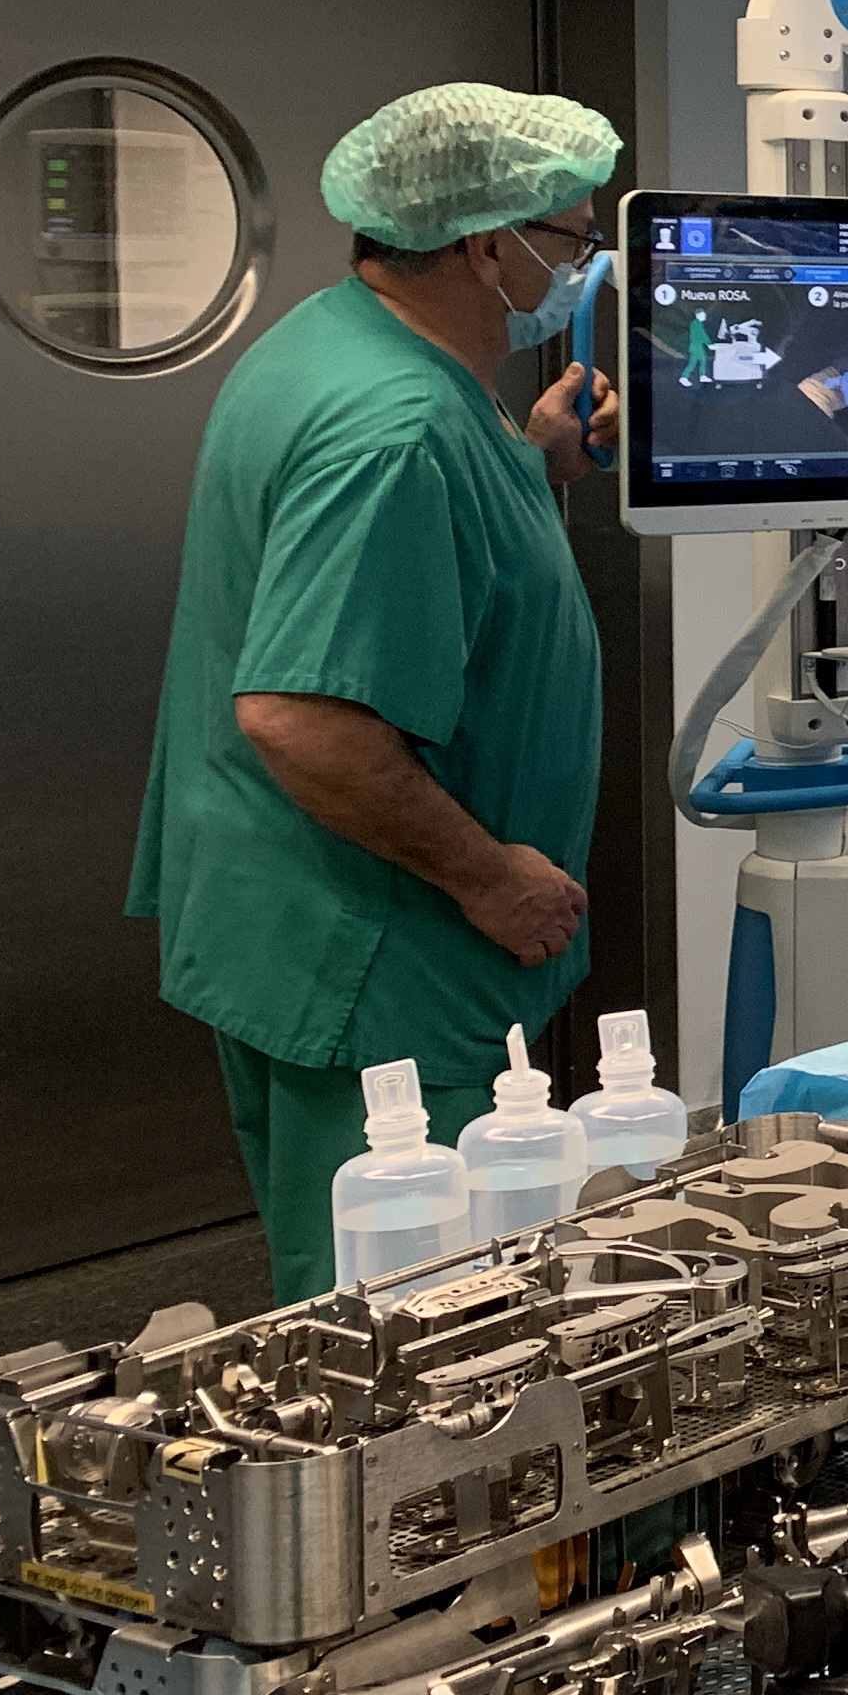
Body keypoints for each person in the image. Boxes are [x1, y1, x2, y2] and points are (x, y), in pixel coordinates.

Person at [129, 83, 624, 1299]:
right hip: (384, 948)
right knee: (410, 1314)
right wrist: (491, 877)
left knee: (363, 1276)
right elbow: (301, 715)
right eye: (570, 241)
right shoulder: (398, 427)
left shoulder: (335, 344)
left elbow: (405, 558)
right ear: (486, 245)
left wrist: (533, 463)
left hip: (303, 917)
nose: (579, 269)